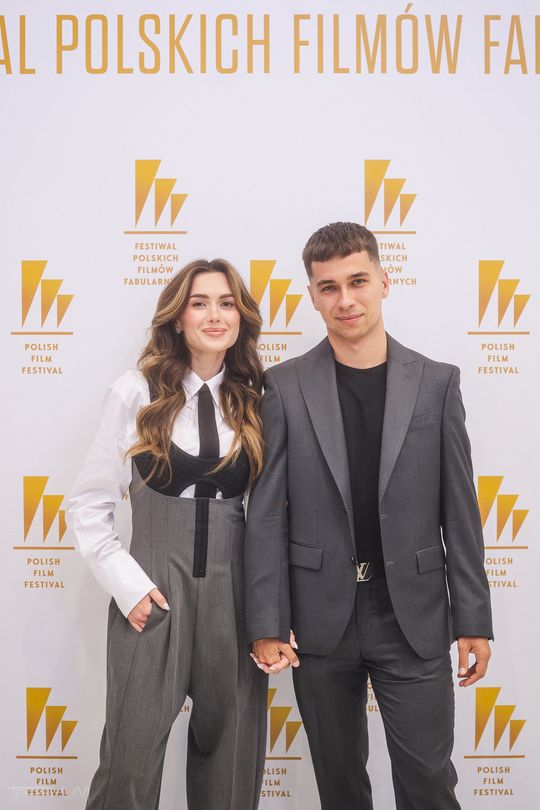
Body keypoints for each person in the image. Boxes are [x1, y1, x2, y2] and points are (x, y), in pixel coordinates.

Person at [246, 223, 493, 810]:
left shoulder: (436, 383)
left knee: (428, 783)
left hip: (412, 614)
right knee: (339, 786)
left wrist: (473, 618)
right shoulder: (284, 386)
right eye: (328, 287)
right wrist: (266, 621)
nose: (346, 300)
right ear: (312, 296)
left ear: (384, 281)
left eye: (358, 281)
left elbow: (460, 510)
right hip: (319, 617)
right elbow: (266, 515)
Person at [68, 258, 268, 810]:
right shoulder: (135, 393)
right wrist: (128, 588)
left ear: (241, 318)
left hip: (235, 602)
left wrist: (271, 609)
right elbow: (89, 504)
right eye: (200, 303)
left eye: (226, 303)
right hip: (152, 596)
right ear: (177, 318)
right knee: (127, 769)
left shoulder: (255, 400)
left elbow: (273, 515)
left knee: (232, 771)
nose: (214, 315)